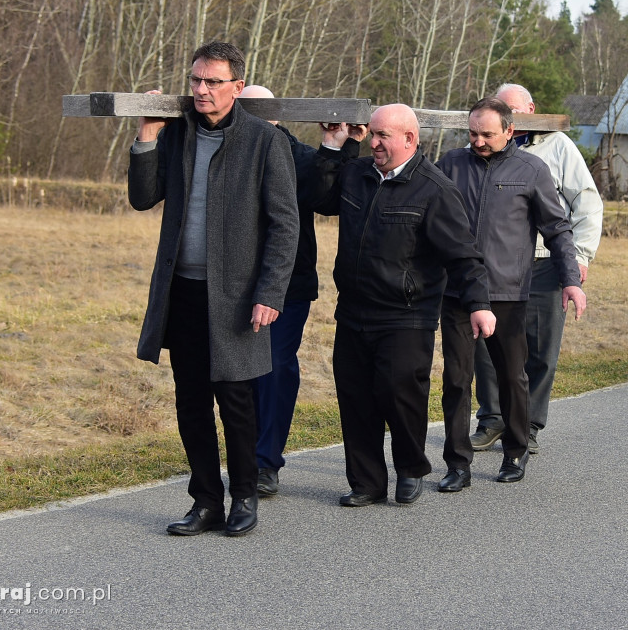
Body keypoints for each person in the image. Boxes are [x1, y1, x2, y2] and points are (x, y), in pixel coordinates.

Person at [128, 42, 299, 537]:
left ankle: (245, 494)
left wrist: (269, 292)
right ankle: (206, 500)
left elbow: (284, 225)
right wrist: (147, 133)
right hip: (182, 290)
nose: (201, 90)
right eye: (196, 80)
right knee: (190, 399)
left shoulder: (264, 142)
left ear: (237, 88)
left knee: (237, 400)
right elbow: (143, 197)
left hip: (238, 296)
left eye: (213, 82)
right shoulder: (178, 133)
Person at [314, 105, 496, 507]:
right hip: (354, 309)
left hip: (406, 314)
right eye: (372, 134)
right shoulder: (357, 174)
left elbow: (463, 256)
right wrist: (334, 145)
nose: (374, 142)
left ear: (410, 140)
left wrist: (478, 304)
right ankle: (366, 482)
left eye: (382, 136)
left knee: (400, 394)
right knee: (356, 398)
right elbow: (320, 197)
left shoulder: (435, 189)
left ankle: (410, 468)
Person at [436, 97, 586, 490]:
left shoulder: (532, 170)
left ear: (510, 131)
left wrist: (571, 278)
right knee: (456, 379)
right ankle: (457, 464)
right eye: (472, 133)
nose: (479, 141)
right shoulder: (451, 164)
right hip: (457, 292)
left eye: (487, 134)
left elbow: (557, 228)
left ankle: (516, 450)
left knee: (511, 377)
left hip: (508, 292)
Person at [471, 83, 603, 455]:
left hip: (545, 262)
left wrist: (579, 256)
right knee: (487, 342)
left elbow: (587, 202)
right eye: (503, 109)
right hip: (495, 264)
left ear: (531, 108)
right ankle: (493, 418)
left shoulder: (558, 146)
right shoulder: (482, 147)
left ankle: (527, 423)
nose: (512, 116)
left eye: (517, 109)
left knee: (540, 346)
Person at [238, 85, 328, 498]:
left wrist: (336, 146)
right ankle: (245, 452)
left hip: (288, 285)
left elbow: (327, 195)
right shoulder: (228, 149)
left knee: (274, 365)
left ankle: (265, 461)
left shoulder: (300, 157)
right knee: (238, 370)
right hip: (232, 285)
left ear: (277, 117)